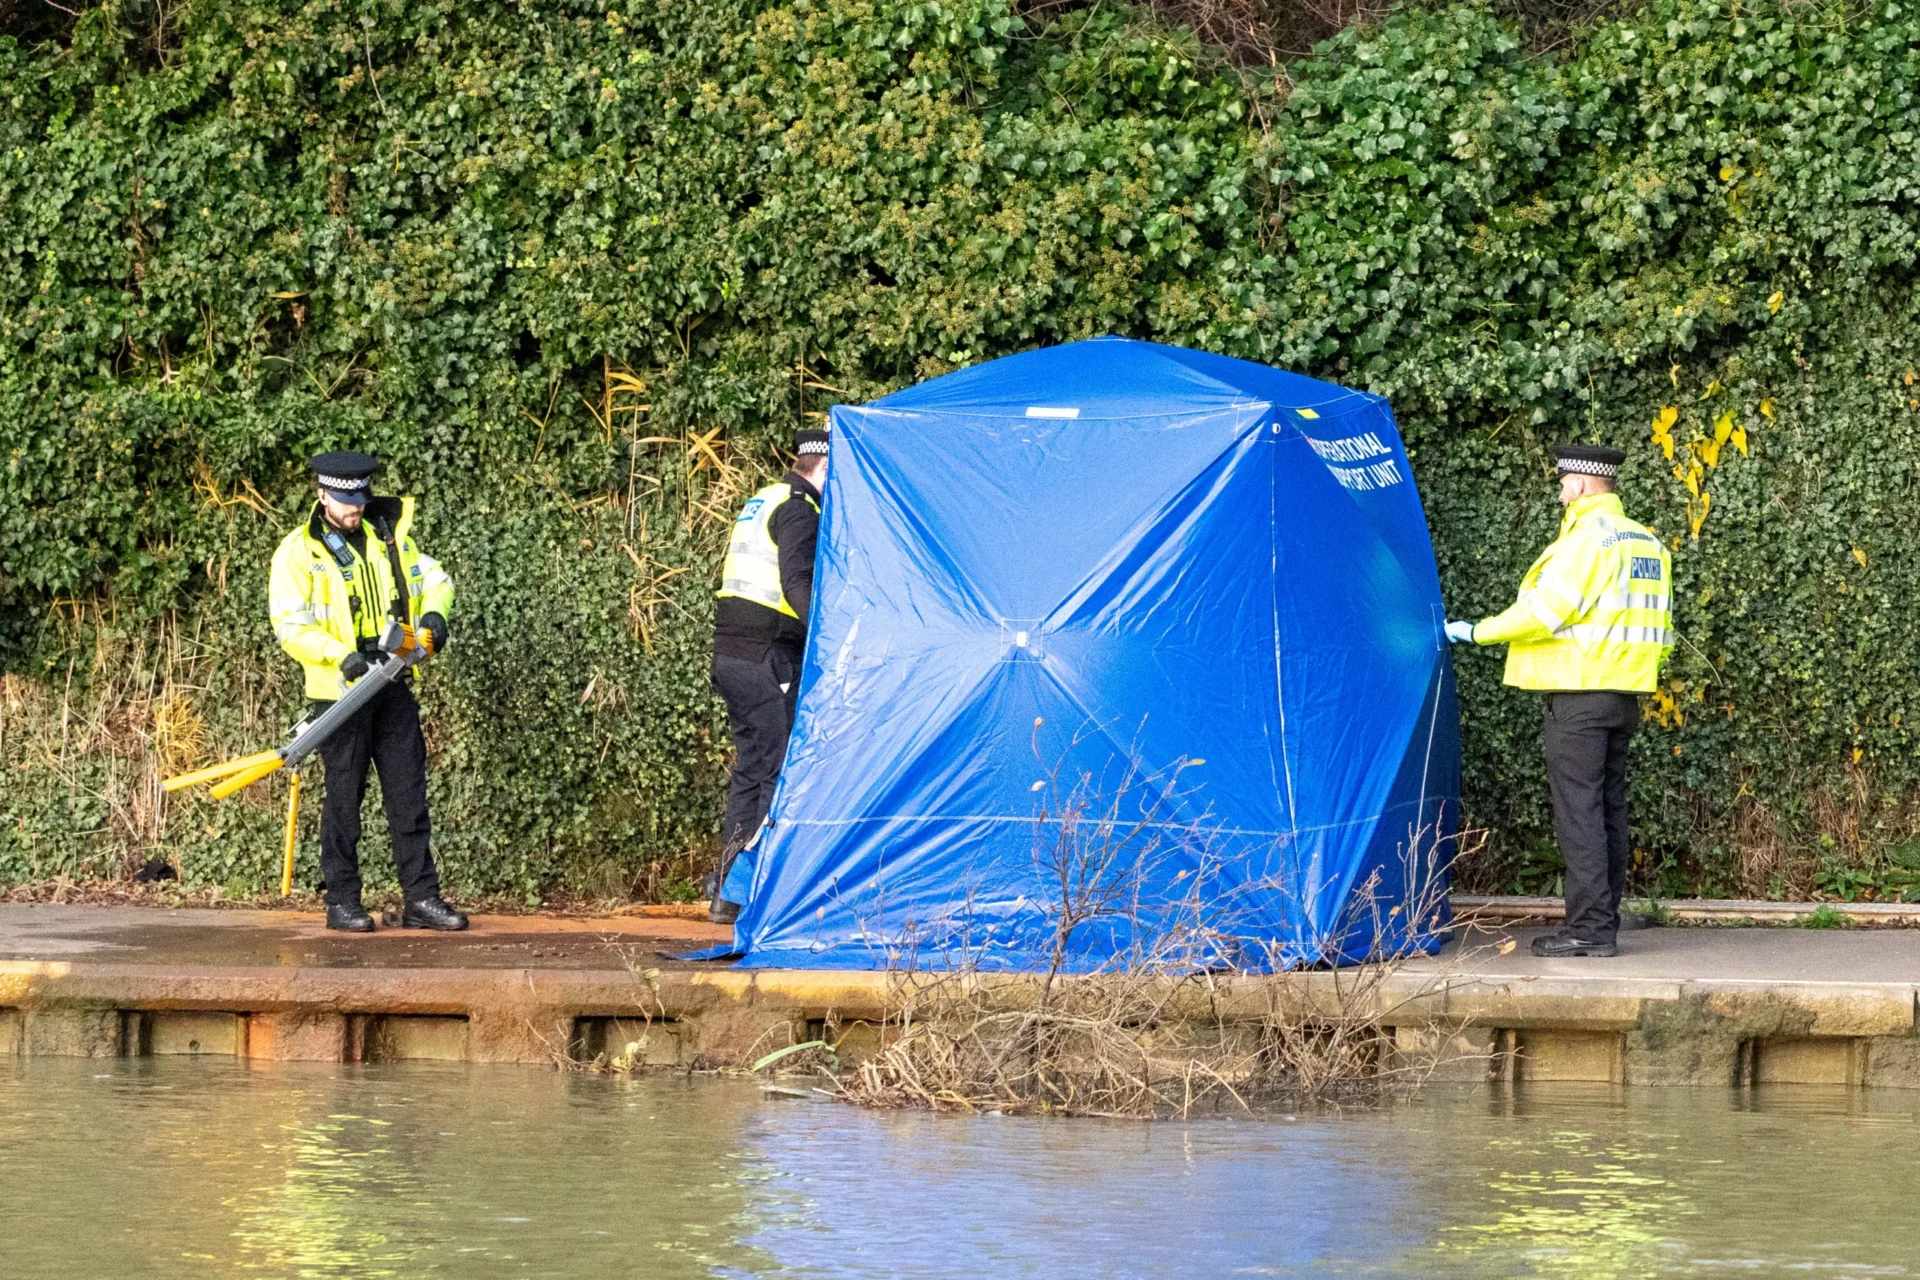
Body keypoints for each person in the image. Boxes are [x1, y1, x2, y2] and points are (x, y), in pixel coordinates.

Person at [1446, 444, 1673, 958]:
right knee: (1608, 810)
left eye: (1564, 479)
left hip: (1579, 692)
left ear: (1586, 483)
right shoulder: (1646, 540)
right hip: (1624, 691)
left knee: (1580, 814)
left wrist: (1476, 632)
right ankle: (1603, 917)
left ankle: (1589, 930)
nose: (1560, 488)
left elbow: (1544, 613)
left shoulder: (1587, 540)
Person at [267, 451, 468, 933]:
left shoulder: (388, 537)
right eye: (342, 500)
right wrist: (341, 656)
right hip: (340, 692)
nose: (353, 508)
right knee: (343, 799)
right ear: (322, 495)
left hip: (394, 678)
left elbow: (434, 580)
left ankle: (422, 899)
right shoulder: (299, 553)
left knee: (408, 794)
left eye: (358, 499)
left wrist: (435, 616)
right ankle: (342, 901)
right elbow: (291, 624)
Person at [706, 427, 829, 923]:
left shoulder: (764, 497)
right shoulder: (800, 508)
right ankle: (744, 893)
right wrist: (826, 634)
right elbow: (796, 579)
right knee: (776, 773)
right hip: (766, 658)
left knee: (752, 771)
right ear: (824, 469)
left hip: (733, 654)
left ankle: (728, 892)